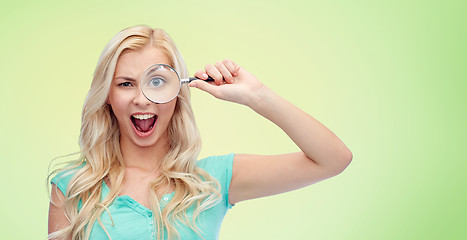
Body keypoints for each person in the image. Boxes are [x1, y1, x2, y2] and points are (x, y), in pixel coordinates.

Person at [48, 25, 352, 240]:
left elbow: (333, 159)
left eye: (156, 82)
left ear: (177, 92)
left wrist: (257, 95)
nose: (142, 98)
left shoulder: (213, 181)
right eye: (126, 83)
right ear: (108, 96)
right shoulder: (72, 188)